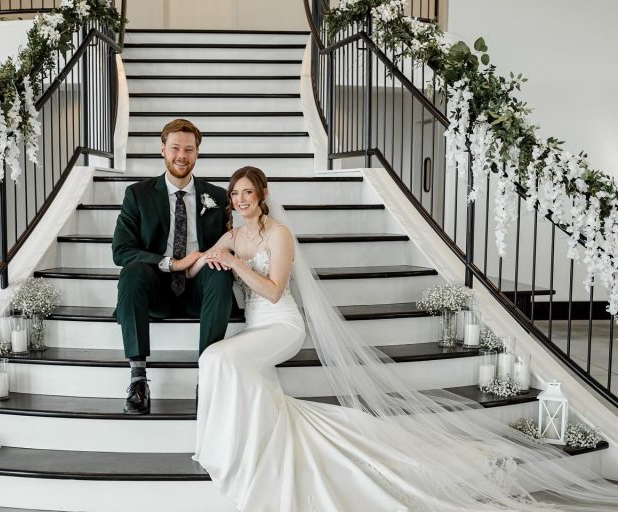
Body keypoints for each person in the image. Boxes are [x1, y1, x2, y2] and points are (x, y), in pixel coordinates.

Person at [191, 166, 618, 511]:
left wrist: (234, 264)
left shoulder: (277, 234)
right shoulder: (234, 235)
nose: (240, 199)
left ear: (261, 195)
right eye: (235, 194)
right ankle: (242, 446)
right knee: (218, 360)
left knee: (221, 360)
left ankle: (230, 449)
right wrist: (190, 262)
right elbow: (200, 266)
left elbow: (274, 290)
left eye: (247, 192)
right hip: (254, 327)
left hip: (282, 325)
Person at [111, 118, 232, 415]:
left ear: (198, 153)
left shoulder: (216, 196)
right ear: (162, 149)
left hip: (199, 291)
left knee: (220, 272)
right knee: (132, 271)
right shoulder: (137, 195)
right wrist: (173, 263)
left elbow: (228, 243)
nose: (182, 155)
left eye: (189, 149)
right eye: (175, 148)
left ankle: (207, 378)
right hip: (155, 289)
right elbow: (122, 251)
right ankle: (138, 378)